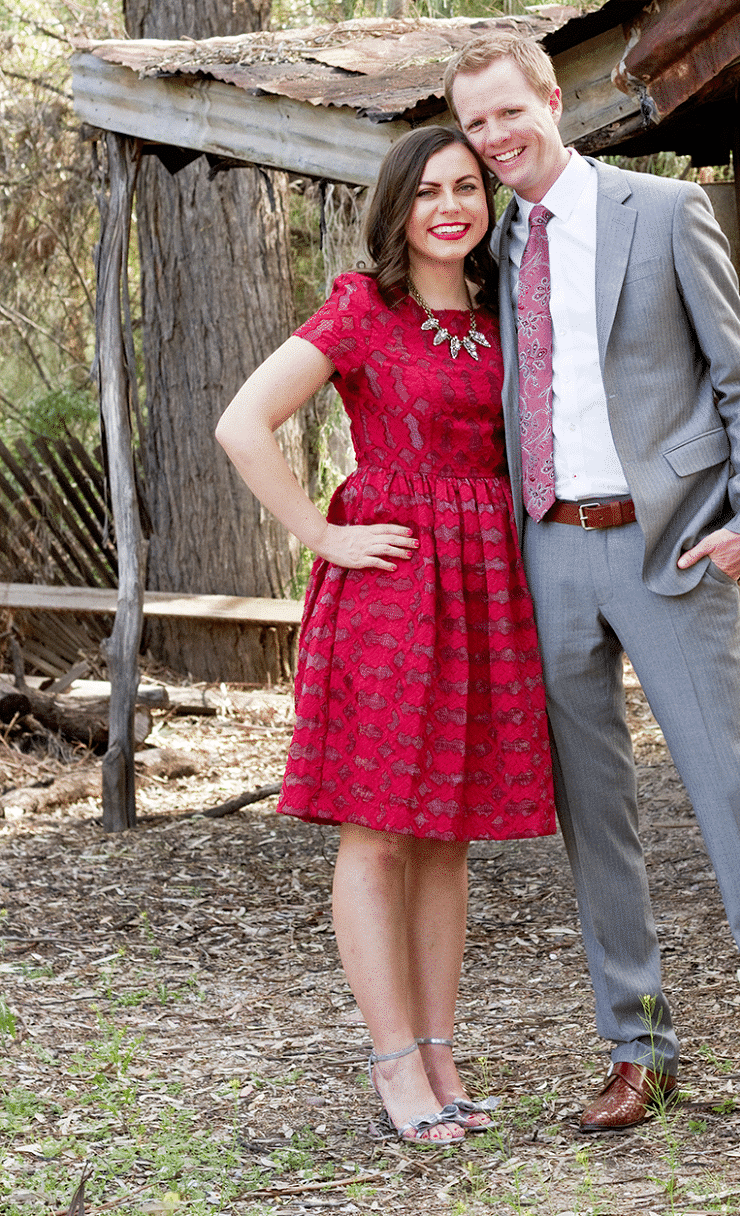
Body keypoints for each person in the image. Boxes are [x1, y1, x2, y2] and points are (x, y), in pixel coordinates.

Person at [445, 32, 740, 1137]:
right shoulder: (493, 244)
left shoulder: (661, 214)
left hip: (670, 547)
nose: (494, 140)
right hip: (550, 556)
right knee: (598, 820)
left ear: (549, 98)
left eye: (505, 113)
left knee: (731, 798)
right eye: (474, 126)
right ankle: (638, 1052)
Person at [215, 125, 555, 1145]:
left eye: (467, 187)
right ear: (396, 207)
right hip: (394, 591)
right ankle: (393, 1062)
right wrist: (321, 531)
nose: (450, 206)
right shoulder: (364, 309)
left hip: (486, 588)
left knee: (446, 835)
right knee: (379, 831)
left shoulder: (503, 314)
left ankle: (441, 1052)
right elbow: (241, 422)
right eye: (428, 191)